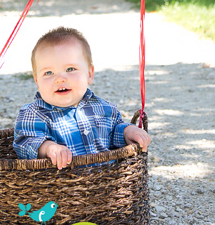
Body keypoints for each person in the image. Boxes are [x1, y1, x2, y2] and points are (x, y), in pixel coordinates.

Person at [13, 26, 151, 168]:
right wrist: (48, 148)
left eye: (70, 69)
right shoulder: (33, 113)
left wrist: (128, 131)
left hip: (107, 183)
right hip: (62, 186)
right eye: (48, 73)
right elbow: (24, 143)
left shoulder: (104, 108)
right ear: (37, 81)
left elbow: (113, 132)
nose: (60, 79)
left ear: (89, 74)